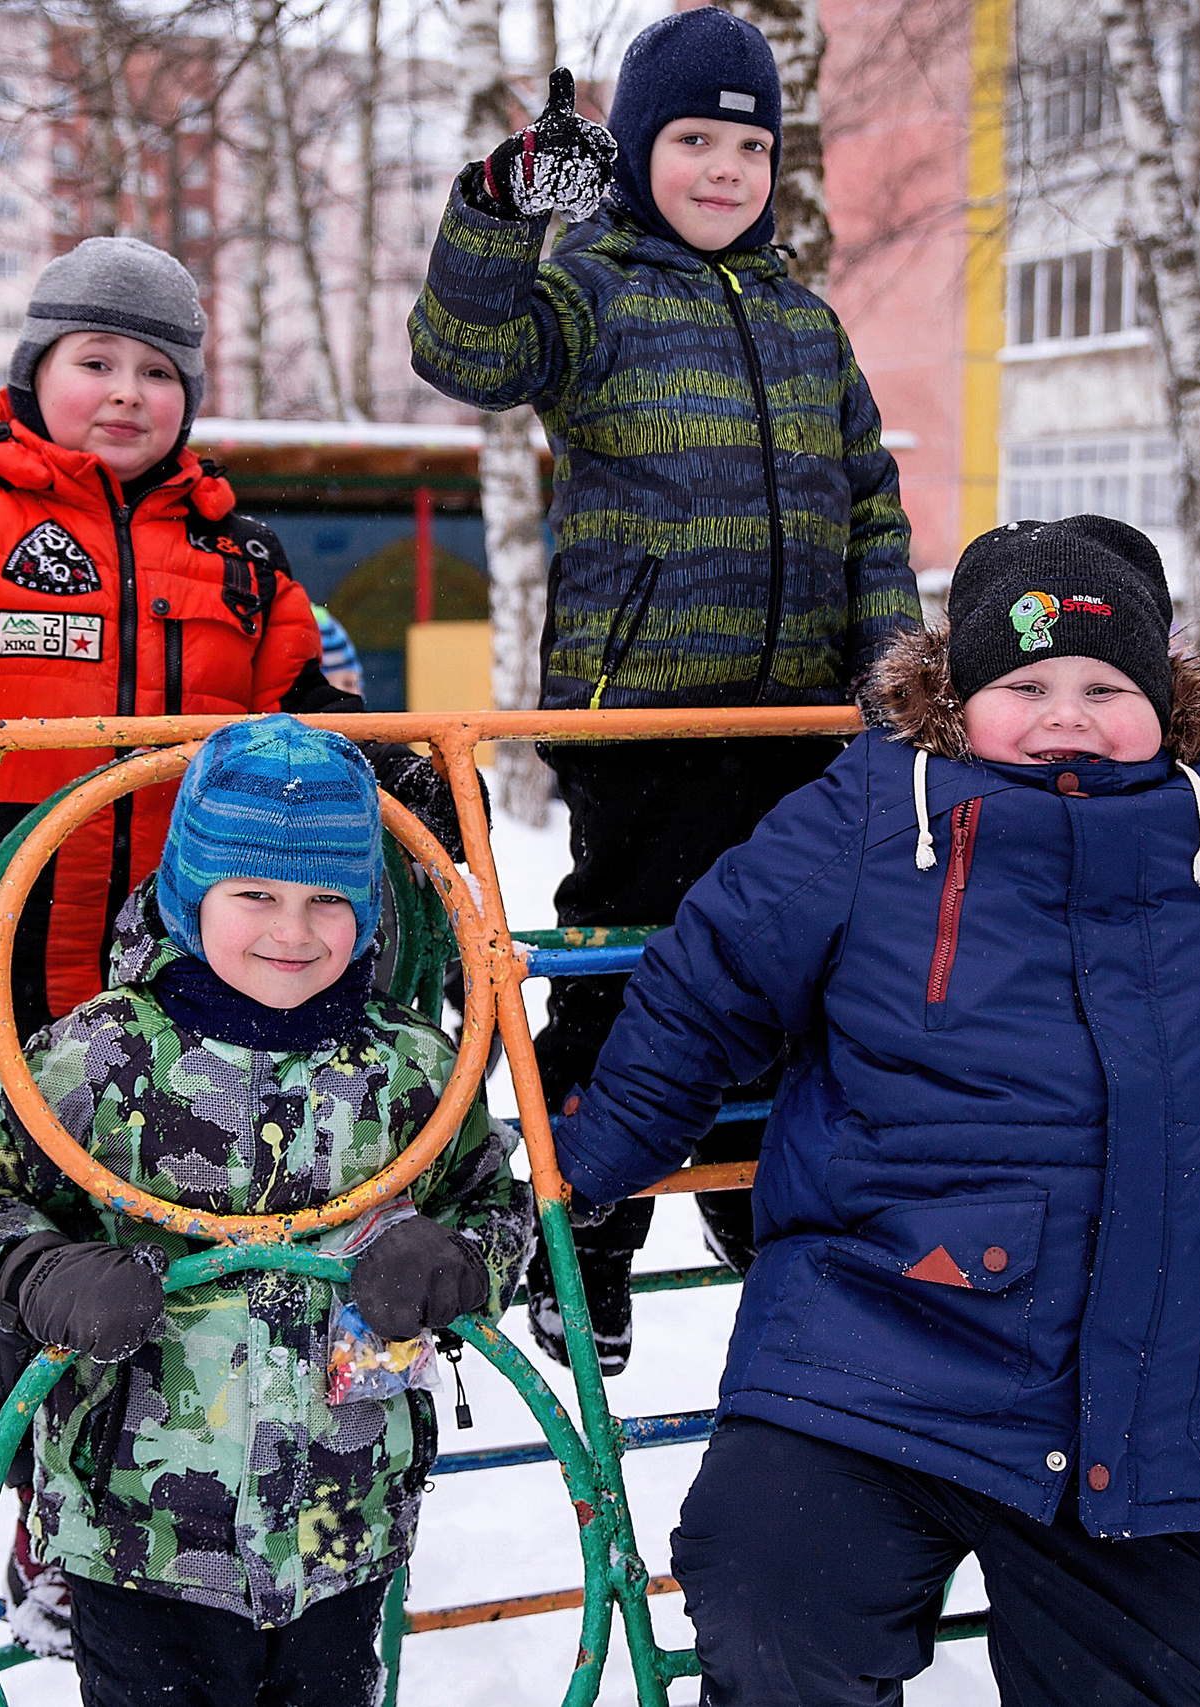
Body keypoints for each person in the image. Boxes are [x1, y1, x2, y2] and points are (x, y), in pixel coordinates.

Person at [0, 236, 454, 1653]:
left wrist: (398, 776)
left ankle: (243, 1493)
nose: (127, 392)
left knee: (186, 1223)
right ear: (37, 372)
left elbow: (309, 720)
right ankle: (47, 1514)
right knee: (35, 1226)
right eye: (97, 362)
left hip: (205, 964)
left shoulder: (238, 560)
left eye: (157, 370)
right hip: (12, 935)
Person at [547, 516, 1200, 1707]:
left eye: (1108, 684)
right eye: (1026, 682)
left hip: (1175, 1375)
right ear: (957, 698)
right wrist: (584, 1169)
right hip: (884, 1338)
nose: (1067, 713)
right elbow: (708, 984)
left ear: (1166, 701)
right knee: (768, 1601)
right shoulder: (873, 815)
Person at [408, 6, 920, 1373]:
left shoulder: (809, 323)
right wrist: (505, 209)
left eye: (747, 146)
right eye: (692, 140)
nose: (722, 170)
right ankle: (593, 1224)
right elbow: (465, 351)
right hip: (643, 715)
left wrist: (889, 666)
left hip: (801, 720)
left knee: (795, 968)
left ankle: (753, 1195)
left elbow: (870, 503)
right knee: (632, 970)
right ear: (639, 153)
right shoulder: (596, 292)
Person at [0, 715, 532, 1706]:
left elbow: (492, 1199)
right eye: (255, 896)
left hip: (345, 1527)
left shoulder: (410, 1066)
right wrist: (41, 1271)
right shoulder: (96, 1059)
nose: (292, 932)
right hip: (137, 1537)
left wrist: (456, 1260)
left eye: (328, 900)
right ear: (189, 897)